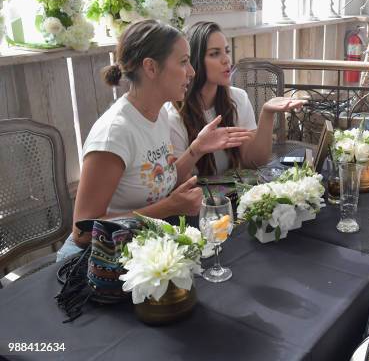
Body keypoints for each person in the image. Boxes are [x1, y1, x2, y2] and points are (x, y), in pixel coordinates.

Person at [56, 20, 232, 261]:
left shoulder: (159, 113)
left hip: (140, 249)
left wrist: (196, 150)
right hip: (95, 263)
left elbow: (160, 181)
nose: (191, 71)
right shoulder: (114, 135)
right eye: (183, 62)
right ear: (150, 68)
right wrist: (169, 207)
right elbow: (82, 233)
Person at [167, 21, 306, 176]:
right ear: (194, 61)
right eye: (214, 54)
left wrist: (267, 113)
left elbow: (253, 162)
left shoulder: (238, 98)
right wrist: (196, 150)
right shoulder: (173, 115)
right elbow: (174, 182)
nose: (226, 60)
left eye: (226, 51)